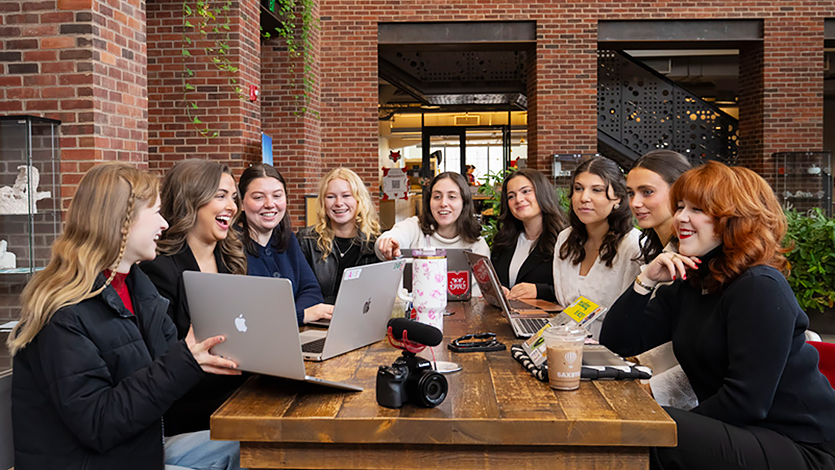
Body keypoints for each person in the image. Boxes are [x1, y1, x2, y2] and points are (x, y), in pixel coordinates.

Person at [600, 161, 835, 470]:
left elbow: (746, 402)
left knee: (651, 427)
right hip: (748, 432)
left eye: (697, 209)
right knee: (649, 424)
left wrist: (672, 429)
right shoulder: (694, 281)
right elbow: (619, 344)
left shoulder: (759, 286)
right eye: (681, 206)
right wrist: (645, 280)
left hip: (801, 444)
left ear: (734, 220)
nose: (681, 217)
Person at [9, 162, 242, 470]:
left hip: (140, 449)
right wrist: (185, 360)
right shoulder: (63, 310)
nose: (164, 224)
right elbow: (98, 423)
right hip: (93, 462)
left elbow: (170, 372)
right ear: (122, 220)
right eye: (156, 213)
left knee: (257, 446)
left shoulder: (137, 287)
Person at [140, 159, 248, 437]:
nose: (232, 207)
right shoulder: (158, 269)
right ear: (191, 200)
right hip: (194, 412)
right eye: (221, 196)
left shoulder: (230, 259)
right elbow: (166, 364)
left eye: (234, 198)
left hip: (240, 392)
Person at [553, 156, 641, 339]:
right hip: (566, 343)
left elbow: (631, 319)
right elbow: (566, 310)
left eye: (597, 190)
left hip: (613, 349)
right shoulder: (565, 239)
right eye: (578, 189)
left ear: (617, 197)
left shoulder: (632, 246)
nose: (584, 198)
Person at [237, 164, 332, 324]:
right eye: (258, 197)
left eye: (277, 196)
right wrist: (301, 316)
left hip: (292, 337)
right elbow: (245, 316)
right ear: (241, 203)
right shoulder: (230, 247)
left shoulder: (287, 240)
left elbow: (311, 290)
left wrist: (293, 317)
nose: (269, 204)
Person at [297, 168, 381, 304]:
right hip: (318, 321)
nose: (338, 203)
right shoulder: (306, 241)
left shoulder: (376, 242)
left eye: (346, 195)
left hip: (361, 320)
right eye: (331, 197)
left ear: (359, 199)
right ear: (323, 202)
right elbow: (299, 290)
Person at [375, 171, 490, 260]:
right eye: (437, 197)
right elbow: (396, 235)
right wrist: (389, 242)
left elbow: (480, 290)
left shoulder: (477, 245)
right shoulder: (415, 227)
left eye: (452, 197)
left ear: (464, 202)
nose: (443, 203)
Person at [491, 168, 567, 301]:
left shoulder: (565, 240)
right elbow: (499, 280)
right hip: (507, 318)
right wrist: (499, 289)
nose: (518, 199)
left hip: (548, 320)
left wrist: (539, 290)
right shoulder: (504, 241)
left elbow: (576, 291)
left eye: (526, 191)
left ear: (542, 193)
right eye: (511, 196)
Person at [626, 150, 691, 264]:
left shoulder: (691, 252)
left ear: (678, 191)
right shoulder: (656, 249)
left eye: (647, 192)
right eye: (631, 194)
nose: (635, 203)